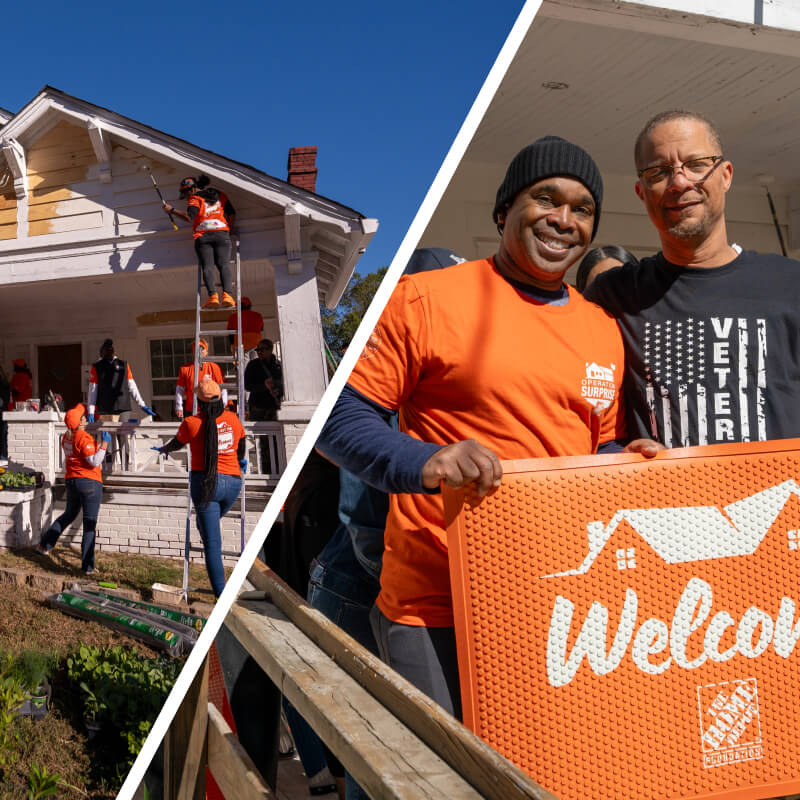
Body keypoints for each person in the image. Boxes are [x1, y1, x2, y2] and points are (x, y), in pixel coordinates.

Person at [317, 136, 661, 717]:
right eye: (545, 198)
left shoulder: (602, 328)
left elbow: (597, 446)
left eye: (582, 209)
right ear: (505, 209)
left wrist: (629, 457)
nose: (563, 219)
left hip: (558, 604)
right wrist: (424, 461)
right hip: (437, 604)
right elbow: (339, 415)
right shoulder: (425, 298)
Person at [585, 109, 800, 448]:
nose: (680, 182)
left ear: (725, 175)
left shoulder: (791, 285)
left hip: (780, 499)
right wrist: (618, 453)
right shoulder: (614, 296)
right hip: (670, 500)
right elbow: (584, 413)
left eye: (697, 164)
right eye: (659, 171)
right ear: (642, 192)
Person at [155, 380, 245, 597]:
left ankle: (221, 597)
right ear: (220, 399)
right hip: (233, 483)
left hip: (206, 485)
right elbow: (241, 451)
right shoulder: (233, 419)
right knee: (207, 529)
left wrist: (164, 448)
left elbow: (177, 443)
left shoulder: (191, 423)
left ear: (198, 401)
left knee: (212, 544)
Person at [36, 403, 111, 574]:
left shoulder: (66, 437)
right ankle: (87, 567)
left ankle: (44, 546)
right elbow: (94, 461)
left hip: (72, 481)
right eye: (83, 416)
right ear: (81, 423)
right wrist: (105, 444)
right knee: (89, 523)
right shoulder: (83, 438)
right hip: (89, 483)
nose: (85, 417)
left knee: (69, 514)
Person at [162, 175, 237, 310]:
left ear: (191, 189)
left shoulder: (194, 198)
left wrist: (171, 210)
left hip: (203, 236)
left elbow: (189, 217)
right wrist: (229, 230)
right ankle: (228, 296)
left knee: (207, 267)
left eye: (186, 193)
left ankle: (213, 297)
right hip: (222, 233)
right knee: (224, 265)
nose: (186, 196)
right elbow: (231, 213)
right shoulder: (219, 195)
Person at [88, 339, 155, 423]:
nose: (108, 351)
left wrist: (142, 404)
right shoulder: (97, 367)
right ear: (102, 351)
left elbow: (132, 386)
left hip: (123, 406)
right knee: (109, 433)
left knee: (123, 434)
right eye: (106, 349)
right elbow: (93, 390)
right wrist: (91, 410)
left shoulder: (124, 364)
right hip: (105, 408)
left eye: (110, 349)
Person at [174, 338, 225, 420]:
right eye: (196, 349)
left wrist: (223, 404)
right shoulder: (185, 368)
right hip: (191, 409)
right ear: (193, 352)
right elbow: (180, 389)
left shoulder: (214, 367)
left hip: (210, 408)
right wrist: (179, 406)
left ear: (207, 352)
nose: (199, 351)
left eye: (202, 349)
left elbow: (222, 388)